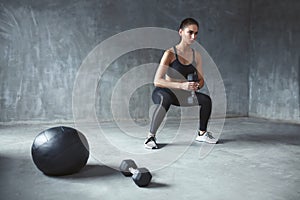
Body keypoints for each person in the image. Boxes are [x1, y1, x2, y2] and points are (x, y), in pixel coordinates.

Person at [144, 18, 218, 149]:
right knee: (164, 99)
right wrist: (182, 85)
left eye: (196, 33)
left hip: (183, 95)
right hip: (164, 91)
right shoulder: (170, 53)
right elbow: (157, 81)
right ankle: (150, 136)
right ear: (180, 32)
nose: (193, 36)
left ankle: (202, 133)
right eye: (190, 32)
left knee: (206, 100)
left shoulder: (197, 56)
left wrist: (196, 85)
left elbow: (201, 81)